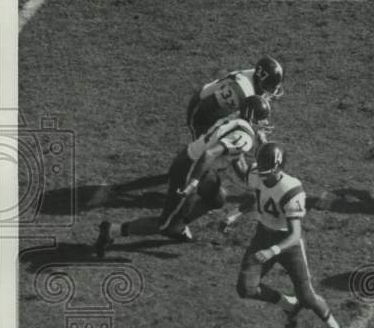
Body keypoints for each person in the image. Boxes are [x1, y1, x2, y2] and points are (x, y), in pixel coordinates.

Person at [95, 96, 271, 255]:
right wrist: (193, 183)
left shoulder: (236, 119)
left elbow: (236, 159)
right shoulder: (244, 137)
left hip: (199, 164)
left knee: (217, 198)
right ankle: (113, 230)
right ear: (252, 117)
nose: (265, 123)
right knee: (164, 225)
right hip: (190, 168)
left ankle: (179, 225)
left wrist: (255, 178)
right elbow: (209, 154)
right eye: (262, 119)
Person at [230, 142, 342, 328]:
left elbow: (295, 234)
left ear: (278, 167)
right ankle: (288, 304)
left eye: (267, 168)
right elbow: (257, 197)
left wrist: (272, 251)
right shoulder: (257, 174)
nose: (262, 173)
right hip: (262, 236)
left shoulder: (291, 189)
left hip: (288, 244)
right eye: (260, 167)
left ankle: (332, 325)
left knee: (306, 296)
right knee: (246, 288)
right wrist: (235, 213)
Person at [186, 55, 284, 138]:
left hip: (219, 105)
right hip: (201, 111)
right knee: (203, 151)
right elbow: (208, 107)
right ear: (261, 83)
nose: (273, 91)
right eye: (270, 87)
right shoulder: (241, 91)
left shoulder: (256, 76)